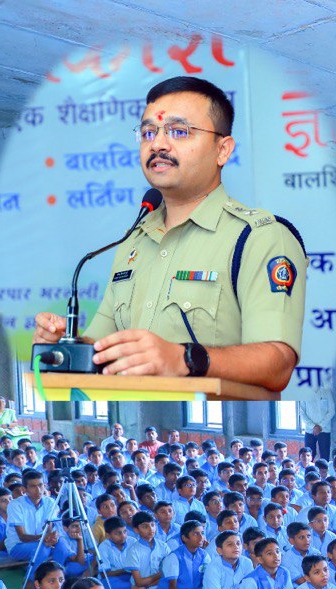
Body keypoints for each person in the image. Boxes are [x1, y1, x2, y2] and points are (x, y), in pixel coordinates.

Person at [31, 76, 309, 393]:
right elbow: (102, 350)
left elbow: (278, 364)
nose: (158, 144)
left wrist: (184, 359)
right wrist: (64, 349)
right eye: (149, 132)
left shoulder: (260, 238)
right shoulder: (131, 242)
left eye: (179, 132)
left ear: (223, 149)